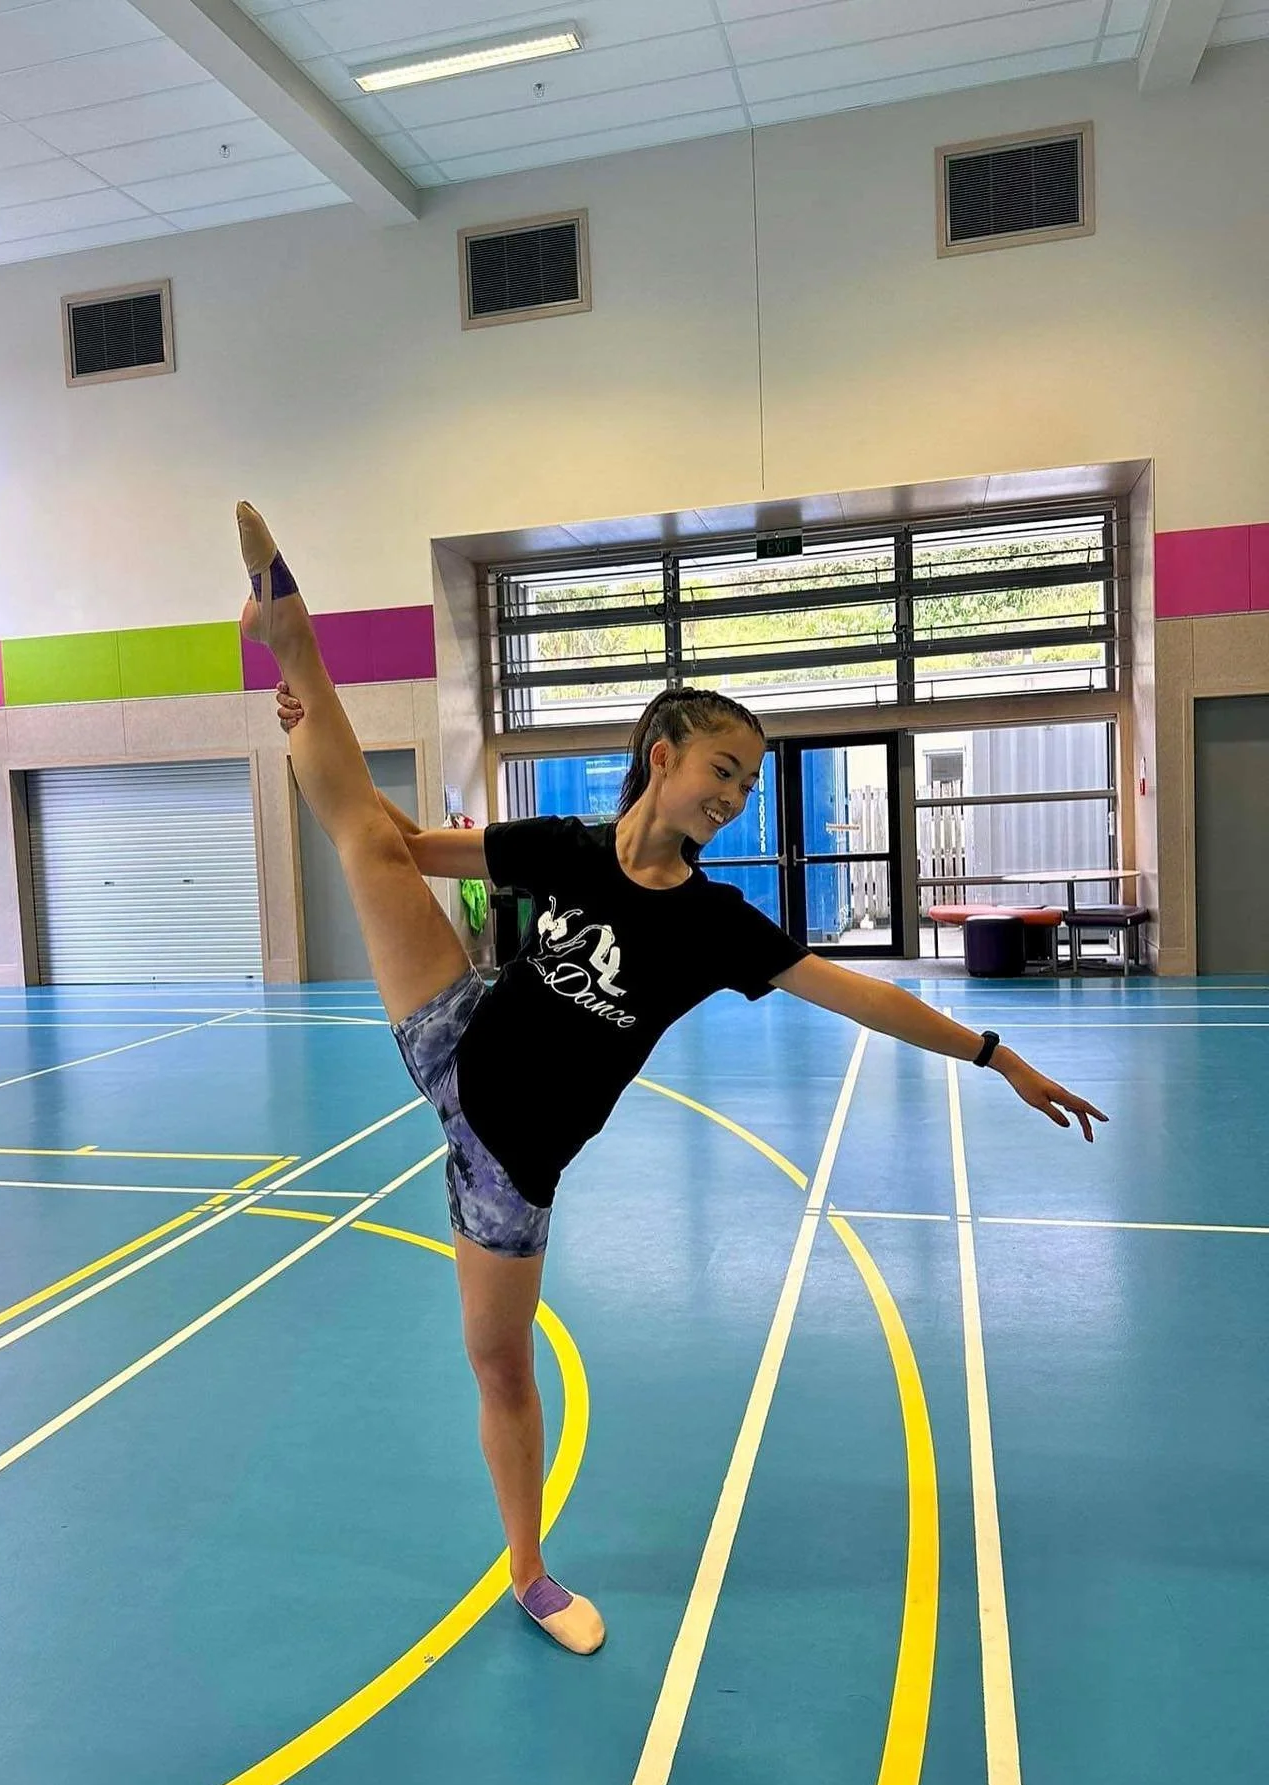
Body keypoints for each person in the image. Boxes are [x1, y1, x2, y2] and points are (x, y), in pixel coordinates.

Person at [238, 501, 1107, 1657]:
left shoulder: (715, 925)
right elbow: (400, 842)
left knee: (500, 1366)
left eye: (747, 785)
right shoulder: (566, 848)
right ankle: (291, 642)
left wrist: (998, 1056)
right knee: (358, 837)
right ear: (664, 756)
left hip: (509, 1169)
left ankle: (528, 1574)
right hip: (454, 1036)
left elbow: (864, 997)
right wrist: (312, 742)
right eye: (723, 772)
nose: (735, 798)